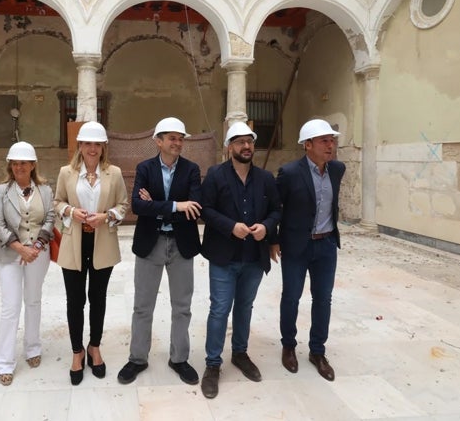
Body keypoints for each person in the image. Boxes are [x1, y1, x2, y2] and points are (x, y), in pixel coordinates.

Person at [117, 117, 202, 386]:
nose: (178, 143)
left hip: (181, 244)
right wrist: (176, 206)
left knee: (182, 306)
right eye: (172, 138)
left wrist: (157, 205)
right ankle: (137, 359)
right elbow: (137, 207)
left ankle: (179, 359)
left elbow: (196, 208)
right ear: (159, 141)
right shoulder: (145, 168)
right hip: (149, 244)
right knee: (143, 306)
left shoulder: (191, 169)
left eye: (181, 138)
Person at [199, 121, 281, 399]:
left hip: (253, 258)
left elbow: (276, 211)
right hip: (224, 256)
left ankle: (240, 353)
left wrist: (266, 228)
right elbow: (206, 210)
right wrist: (230, 226)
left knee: (245, 306)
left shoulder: (266, 178)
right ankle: (212, 364)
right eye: (240, 142)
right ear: (229, 147)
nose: (246, 146)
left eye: (249, 141)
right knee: (220, 309)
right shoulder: (215, 175)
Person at [53, 121, 128, 386]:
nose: (92, 149)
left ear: (103, 146)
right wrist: (72, 212)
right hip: (74, 241)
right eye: (88, 144)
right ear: (80, 146)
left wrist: (106, 216)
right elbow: (57, 202)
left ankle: (95, 346)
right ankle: (77, 351)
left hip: (102, 242)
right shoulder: (66, 172)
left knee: (98, 298)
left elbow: (123, 205)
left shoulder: (114, 173)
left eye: (97, 144)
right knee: (75, 300)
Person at [270, 118, 345, 382]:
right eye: (325, 140)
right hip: (296, 245)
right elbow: (276, 209)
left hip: (326, 245)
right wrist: (273, 240)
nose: (331, 145)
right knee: (291, 297)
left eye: (332, 140)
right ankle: (288, 346)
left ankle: (317, 351)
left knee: (323, 299)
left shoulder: (337, 169)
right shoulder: (289, 173)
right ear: (308, 145)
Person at [0, 141, 55, 386]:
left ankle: (33, 348)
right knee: (10, 306)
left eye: (23, 163)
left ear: (32, 165)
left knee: (33, 300)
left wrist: (37, 247)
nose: (19, 167)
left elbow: (50, 217)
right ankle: (5, 362)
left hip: (38, 253)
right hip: (10, 253)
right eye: (15, 163)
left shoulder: (45, 190)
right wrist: (19, 248)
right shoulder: (2, 190)